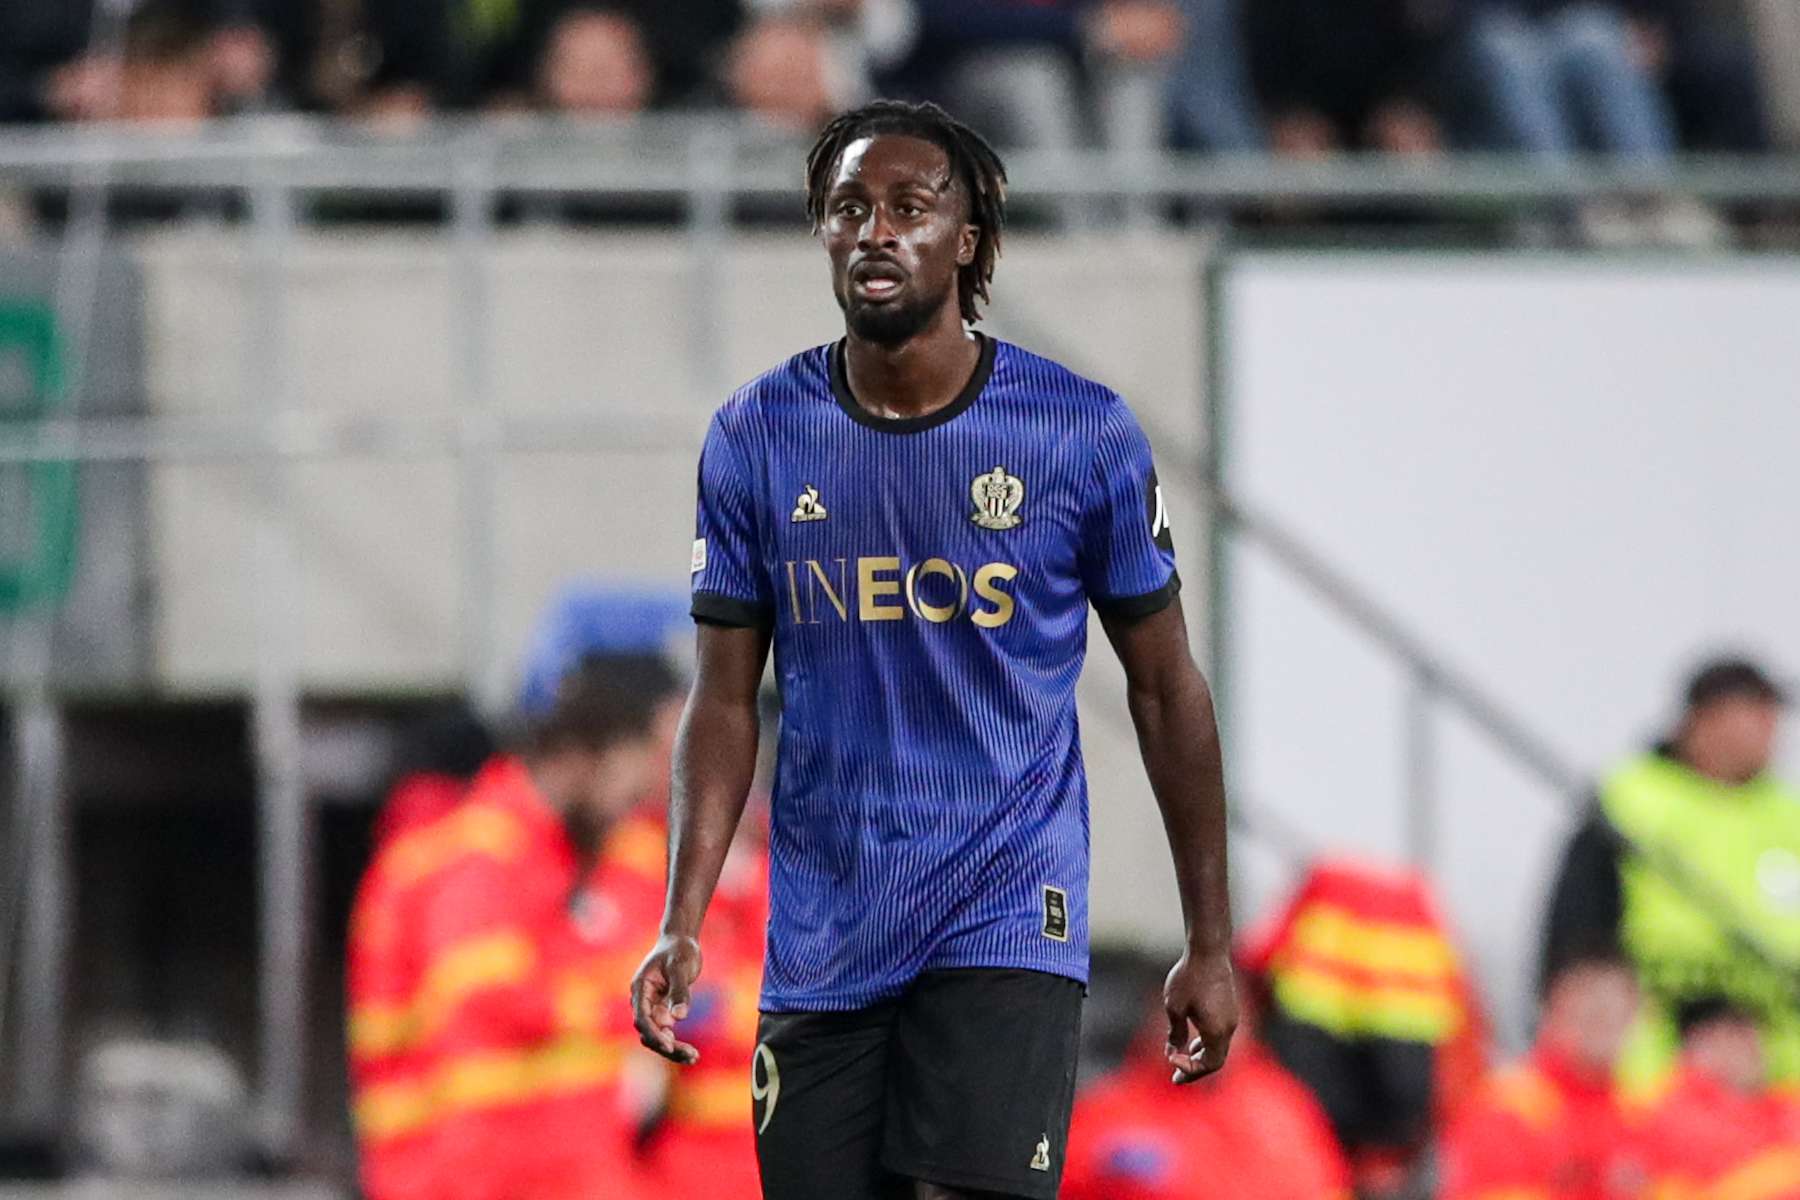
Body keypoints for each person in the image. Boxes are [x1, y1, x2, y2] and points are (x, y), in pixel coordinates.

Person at [629, 98, 1237, 1200]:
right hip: (825, 929)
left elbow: (1165, 687)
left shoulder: (1078, 433)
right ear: (820, 232)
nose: (877, 231)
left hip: (1006, 910)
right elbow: (723, 702)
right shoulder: (757, 437)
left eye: (912, 206)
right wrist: (681, 919)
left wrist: (1212, 938)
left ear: (966, 239)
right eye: (850, 207)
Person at [347, 656, 659, 1200]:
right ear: (577, 764)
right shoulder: (488, 856)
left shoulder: (545, 858)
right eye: (623, 793)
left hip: (539, 1171)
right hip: (485, 1174)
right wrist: (622, 1013)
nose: (624, 817)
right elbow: (490, 999)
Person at [1542, 657, 1800, 1094]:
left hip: (1776, 1087)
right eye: (1751, 714)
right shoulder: (1631, 799)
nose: (1768, 730)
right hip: (1652, 1076)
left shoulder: (1786, 815)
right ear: (1701, 720)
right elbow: (1575, 929)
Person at [1063, 978, 1350, 1200]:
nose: (1200, 1031)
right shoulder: (1107, 1108)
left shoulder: (1284, 1105)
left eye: (1219, 1014)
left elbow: (1327, 1187)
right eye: (1186, 1015)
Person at [1439, 952, 1642, 1200]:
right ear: (1552, 1013)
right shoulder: (1510, 1104)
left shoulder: (1638, 1111)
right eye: (1590, 1016)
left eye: (1614, 1018)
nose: (1602, 1032)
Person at [1630, 998, 1800, 1196]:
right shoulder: (1670, 1114)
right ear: (1695, 1047)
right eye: (1735, 1035)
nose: (1754, 1047)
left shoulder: (1782, 1103)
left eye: (1753, 1035)